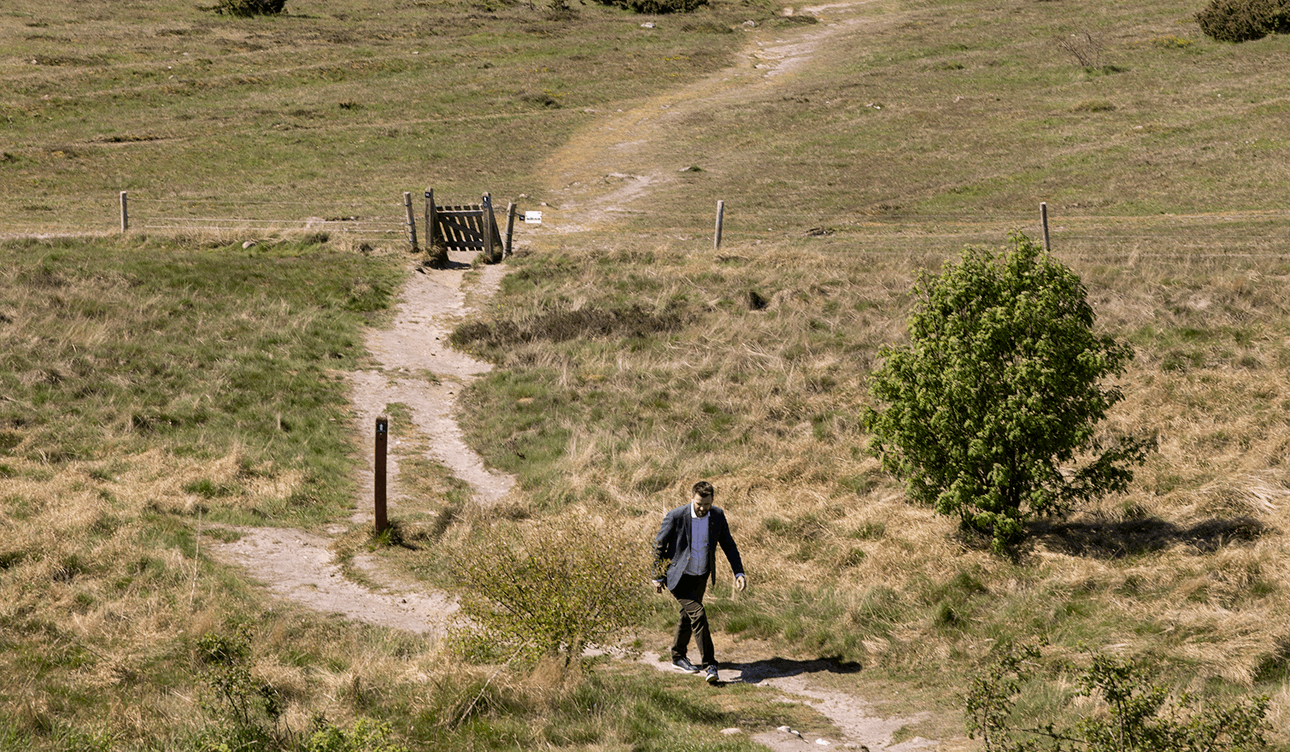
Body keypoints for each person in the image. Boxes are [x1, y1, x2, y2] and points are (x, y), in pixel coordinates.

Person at [653, 480, 746, 684]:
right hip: (677, 576)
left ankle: (677, 657)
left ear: (712, 500)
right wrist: (657, 575)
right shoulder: (676, 516)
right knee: (699, 614)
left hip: (701, 575)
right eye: (699, 504)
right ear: (692, 498)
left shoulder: (718, 515)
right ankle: (710, 665)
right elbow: (659, 545)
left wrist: (739, 572)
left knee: (688, 615)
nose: (703, 508)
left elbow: (729, 545)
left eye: (707, 504)